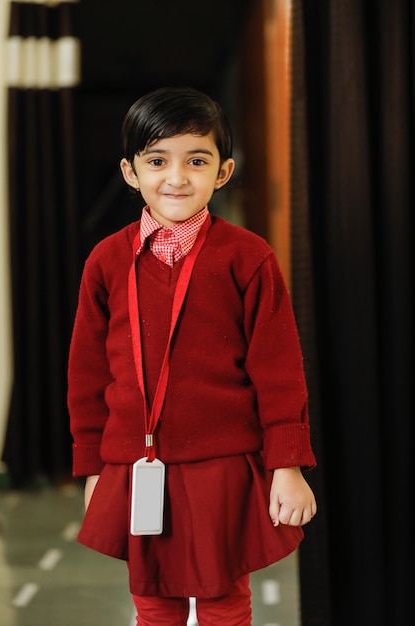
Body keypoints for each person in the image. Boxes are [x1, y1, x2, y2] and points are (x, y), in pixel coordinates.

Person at [68, 86, 317, 626]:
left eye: (196, 161)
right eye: (157, 160)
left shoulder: (248, 257)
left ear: (222, 172)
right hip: (135, 463)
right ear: (131, 172)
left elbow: (278, 370)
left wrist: (287, 463)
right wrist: (93, 466)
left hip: (223, 462)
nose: (176, 177)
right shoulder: (106, 260)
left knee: (224, 596)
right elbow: (87, 375)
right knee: (153, 599)